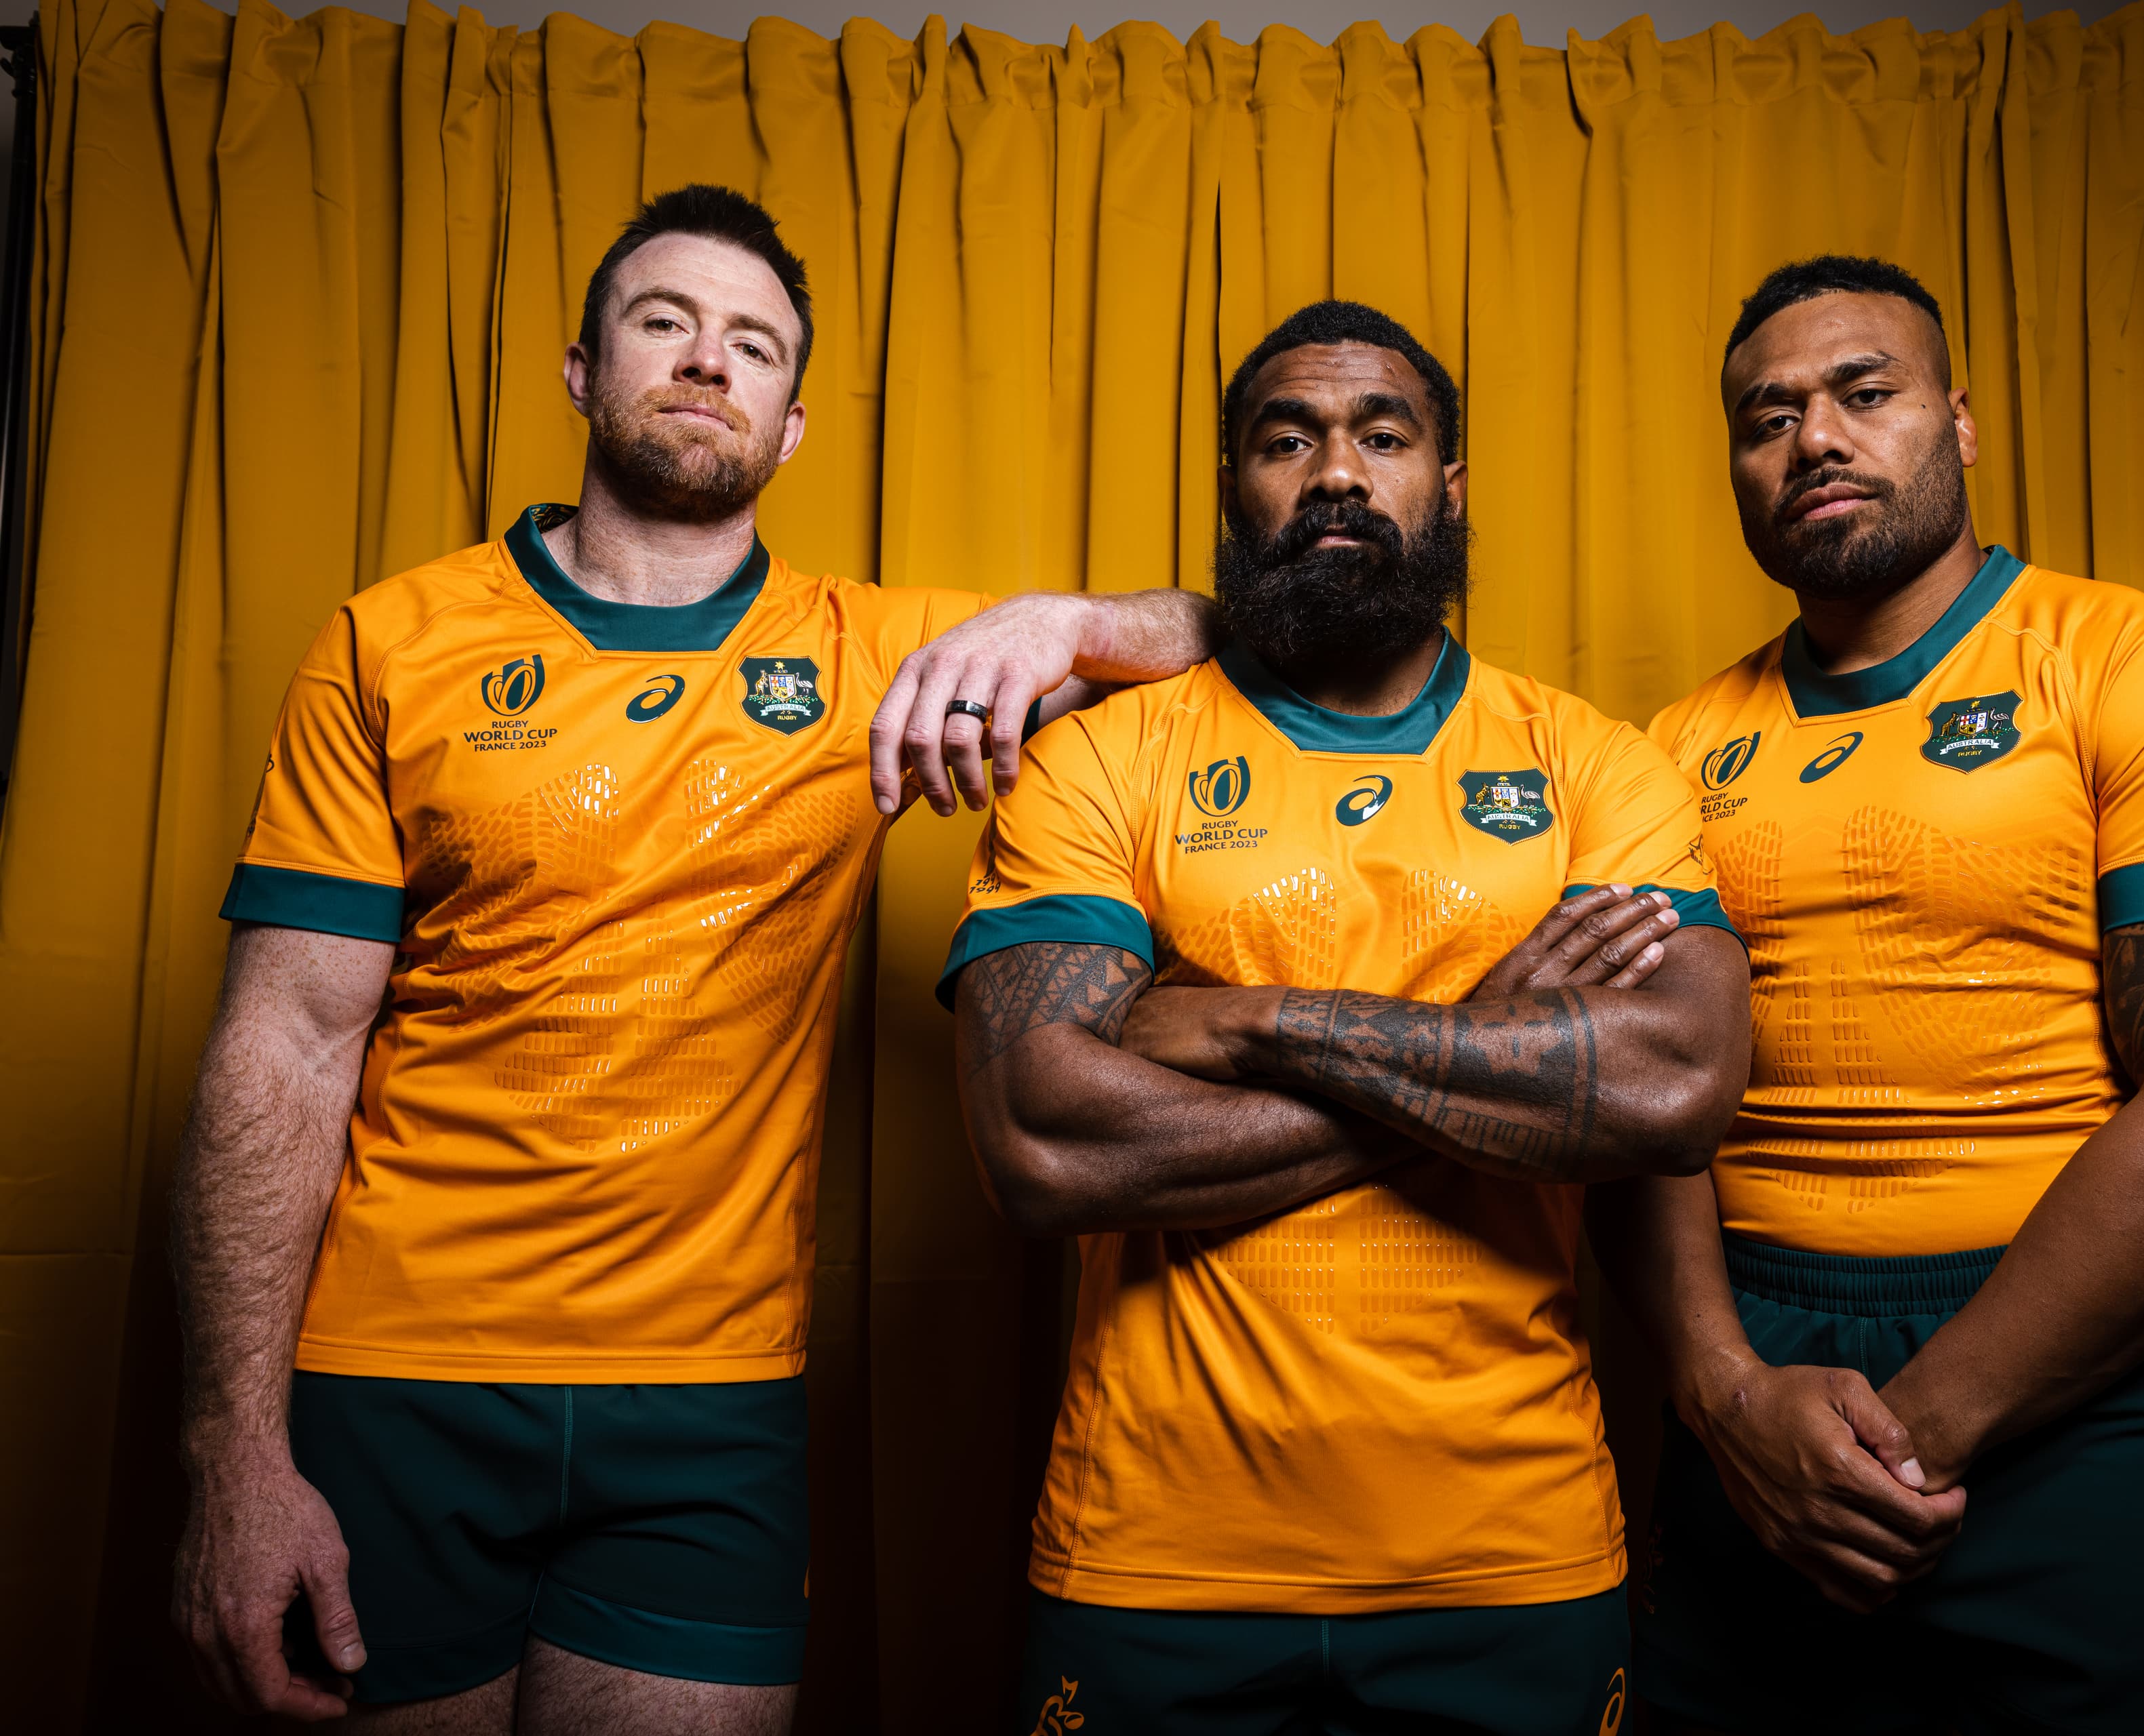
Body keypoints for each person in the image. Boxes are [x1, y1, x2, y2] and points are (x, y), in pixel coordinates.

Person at [167, 184, 1216, 1733]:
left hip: (711, 1405)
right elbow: (284, 1047)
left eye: (755, 345)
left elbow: (1219, 635)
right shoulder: (390, 643)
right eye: (666, 324)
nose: (710, 363)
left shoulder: (882, 658)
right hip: (397, 1380)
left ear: (793, 425)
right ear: (585, 371)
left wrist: (1062, 621)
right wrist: (233, 1456)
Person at [945, 300, 1753, 1734]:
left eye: (1384, 437)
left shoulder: (1593, 766)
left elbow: (1678, 1086)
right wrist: (1494, 1047)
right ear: (1233, 494)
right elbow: (1041, 1142)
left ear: (1447, 490)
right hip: (1153, 1558)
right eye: (1287, 439)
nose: (1335, 472)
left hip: (1514, 1553)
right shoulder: (1100, 764)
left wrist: (1244, 1021)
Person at [1614, 255, 2144, 1734]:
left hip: (2077, 1368)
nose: (1812, 437)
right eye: (1767, 418)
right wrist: (1722, 1395)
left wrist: (1907, 1444)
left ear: (1956, 422)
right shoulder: (1671, 750)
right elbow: (1639, 1104)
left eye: (1861, 394)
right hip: (1753, 1382)